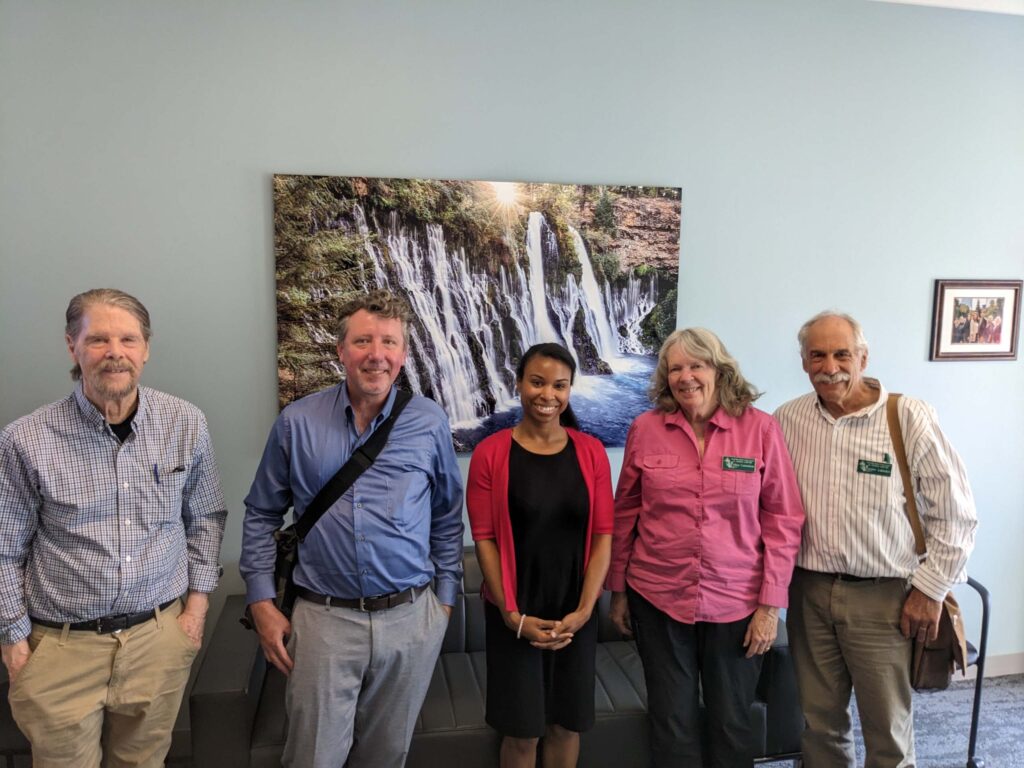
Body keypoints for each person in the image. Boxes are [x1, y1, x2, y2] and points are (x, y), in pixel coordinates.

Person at [0, 288, 227, 768]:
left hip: (157, 640)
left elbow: (205, 518)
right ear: (72, 347)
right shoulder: (25, 439)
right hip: (60, 649)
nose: (114, 353)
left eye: (127, 339)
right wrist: (15, 641)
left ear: (146, 347)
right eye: (98, 339)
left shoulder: (186, 423)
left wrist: (196, 611)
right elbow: (3, 548)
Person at [241, 289, 464, 768]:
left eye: (389, 342)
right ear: (341, 351)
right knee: (312, 758)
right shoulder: (296, 422)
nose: (376, 355)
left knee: (386, 757)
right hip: (323, 621)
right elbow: (261, 515)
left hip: (410, 619)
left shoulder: (429, 422)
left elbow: (447, 515)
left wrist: (442, 603)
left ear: (403, 355)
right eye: (363, 341)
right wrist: (261, 602)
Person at [774, 310, 977, 768]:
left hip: (885, 599)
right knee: (820, 724)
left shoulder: (908, 416)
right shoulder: (787, 420)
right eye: (818, 356)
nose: (831, 367)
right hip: (807, 592)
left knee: (887, 730)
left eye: (842, 354)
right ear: (804, 362)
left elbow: (958, 515)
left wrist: (929, 589)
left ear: (863, 357)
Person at [607, 328, 805, 767]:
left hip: (737, 605)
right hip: (657, 599)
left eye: (696, 365)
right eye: (675, 368)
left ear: (719, 370)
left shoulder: (760, 429)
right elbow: (626, 514)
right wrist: (617, 590)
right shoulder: (645, 429)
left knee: (732, 723)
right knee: (671, 722)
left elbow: (783, 520)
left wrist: (770, 607)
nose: (686, 377)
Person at [467, 343, 614, 768]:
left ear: (570, 390)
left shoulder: (590, 452)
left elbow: (604, 534)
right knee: (521, 733)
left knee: (566, 726)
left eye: (559, 385)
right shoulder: (490, 453)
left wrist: (587, 609)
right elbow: (485, 540)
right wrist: (513, 616)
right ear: (518, 384)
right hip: (516, 613)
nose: (547, 394)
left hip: (575, 612)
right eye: (537, 382)